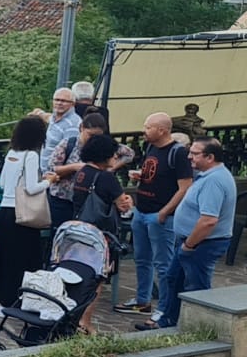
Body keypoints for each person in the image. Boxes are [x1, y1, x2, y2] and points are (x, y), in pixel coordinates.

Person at [143, 138, 235, 331]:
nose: (189, 157)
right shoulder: (206, 175)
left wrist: (190, 245)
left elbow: (209, 220)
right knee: (173, 278)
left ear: (210, 157)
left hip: (203, 243)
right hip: (192, 242)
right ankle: (169, 321)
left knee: (195, 287)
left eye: (194, 153)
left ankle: (199, 328)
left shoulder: (214, 181)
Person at [115, 112, 194, 320]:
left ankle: (165, 308)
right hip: (141, 211)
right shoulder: (151, 147)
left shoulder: (177, 153)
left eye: (148, 127)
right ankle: (143, 300)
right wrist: (140, 176)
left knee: (163, 264)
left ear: (162, 130)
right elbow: (154, 174)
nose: (144, 130)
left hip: (160, 216)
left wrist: (165, 211)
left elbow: (185, 187)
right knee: (142, 259)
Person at [68, 132, 135, 334]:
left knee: (79, 275)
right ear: (106, 155)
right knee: (97, 279)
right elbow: (123, 206)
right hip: (100, 235)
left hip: (79, 229)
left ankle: (72, 317)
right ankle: (85, 322)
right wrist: (129, 202)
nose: (115, 157)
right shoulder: (107, 178)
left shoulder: (82, 172)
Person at [0, 115, 51, 308]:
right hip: (23, 214)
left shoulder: (11, 154)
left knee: (5, 256)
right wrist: (49, 181)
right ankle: (19, 298)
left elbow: (2, 183)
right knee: (24, 258)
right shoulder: (32, 156)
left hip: (5, 211)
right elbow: (32, 188)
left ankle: (2, 296)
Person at [46, 113, 133, 228]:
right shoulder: (69, 144)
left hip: (89, 203)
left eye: (98, 136)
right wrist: (74, 167)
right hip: (64, 199)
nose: (93, 139)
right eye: (90, 135)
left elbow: (129, 153)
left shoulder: (104, 149)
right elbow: (51, 169)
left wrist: (112, 167)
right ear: (81, 128)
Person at [33, 87, 80, 181]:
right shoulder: (55, 118)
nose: (59, 103)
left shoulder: (73, 125)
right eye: (57, 100)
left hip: (57, 178)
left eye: (64, 101)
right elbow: (47, 117)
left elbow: (71, 154)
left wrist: (56, 176)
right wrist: (38, 112)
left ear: (73, 104)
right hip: (45, 174)